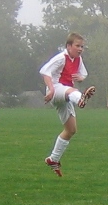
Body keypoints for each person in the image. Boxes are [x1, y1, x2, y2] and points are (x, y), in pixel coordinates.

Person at [39, 32, 96, 176]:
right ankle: (81, 99)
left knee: (71, 130)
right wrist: (51, 89)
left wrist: (81, 78)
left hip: (66, 96)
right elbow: (44, 71)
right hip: (57, 90)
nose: (80, 49)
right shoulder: (61, 58)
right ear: (68, 46)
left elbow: (83, 74)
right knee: (71, 91)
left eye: (82, 46)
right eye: (77, 46)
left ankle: (53, 159)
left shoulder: (78, 59)